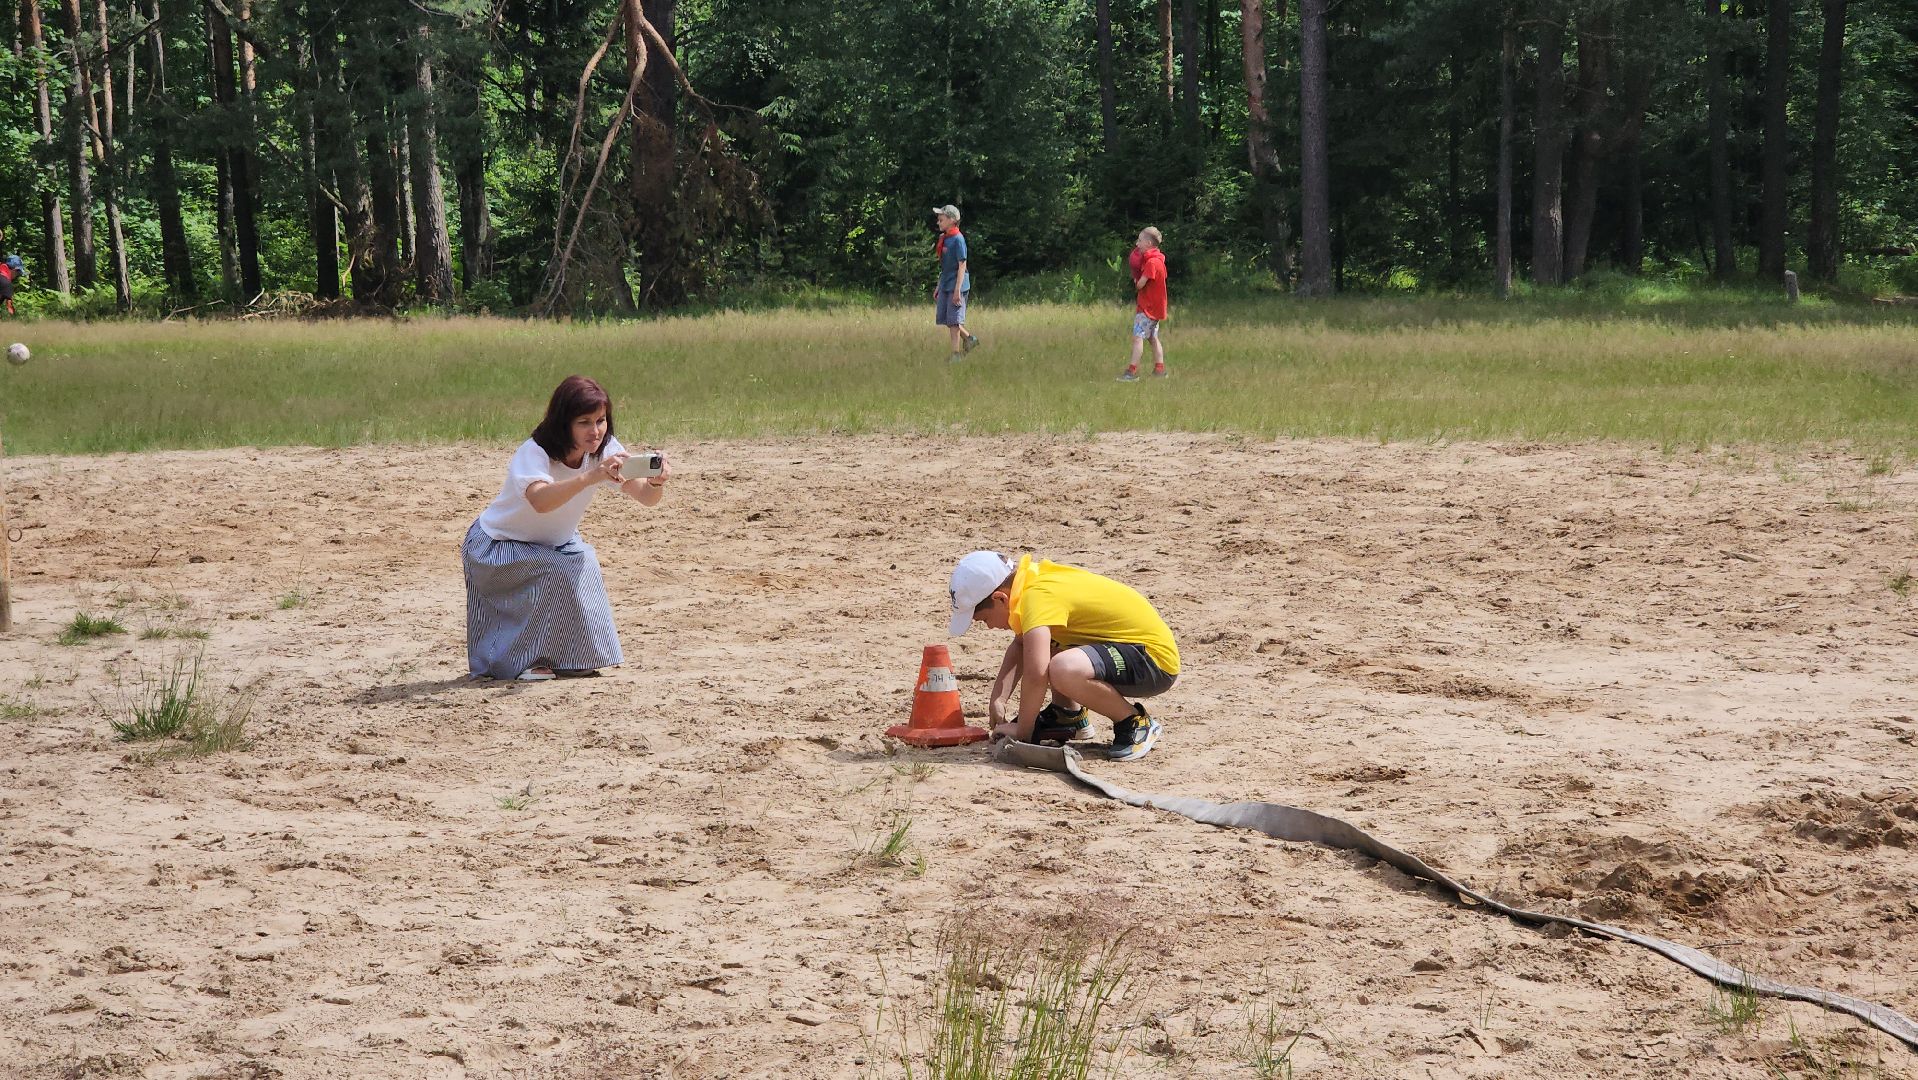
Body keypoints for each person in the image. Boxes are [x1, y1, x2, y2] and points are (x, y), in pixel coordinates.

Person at [462, 375, 669, 681]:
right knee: (554, 569)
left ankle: (572, 659)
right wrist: (593, 475)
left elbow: (645, 497)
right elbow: (540, 501)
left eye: (600, 420)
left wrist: (655, 482)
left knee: (583, 562)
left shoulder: (605, 447)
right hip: (497, 545)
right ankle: (519, 664)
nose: (595, 431)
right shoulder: (534, 452)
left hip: (555, 543)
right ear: (564, 423)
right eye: (584, 421)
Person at [947, 550, 1180, 761]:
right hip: (1130, 652)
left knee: (1063, 668)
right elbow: (1021, 645)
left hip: (1152, 661)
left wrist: (1023, 732)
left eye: (984, 619)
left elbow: (1036, 674)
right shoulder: (1031, 583)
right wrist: (999, 698)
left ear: (1000, 598)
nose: (988, 627)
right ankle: (1067, 715)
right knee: (1042, 644)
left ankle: (1134, 721)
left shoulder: (1037, 598)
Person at [1118, 226, 1168, 382]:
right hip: (1156, 309)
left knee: (1138, 338)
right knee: (1153, 338)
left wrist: (1135, 277)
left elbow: (1140, 285)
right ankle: (1160, 370)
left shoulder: (1151, 263)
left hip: (1147, 309)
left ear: (1148, 243)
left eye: (1139, 240)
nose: (1137, 243)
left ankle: (1131, 372)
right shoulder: (1159, 260)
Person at [933, 204, 979, 361]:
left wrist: (957, 290)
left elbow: (962, 265)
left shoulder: (958, 239)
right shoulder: (944, 239)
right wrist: (939, 285)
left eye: (941, 219)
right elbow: (944, 266)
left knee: (954, 321)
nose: (938, 222)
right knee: (947, 319)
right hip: (946, 283)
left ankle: (955, 355)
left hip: (957, 285)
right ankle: (970, 339)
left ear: (952, 220)